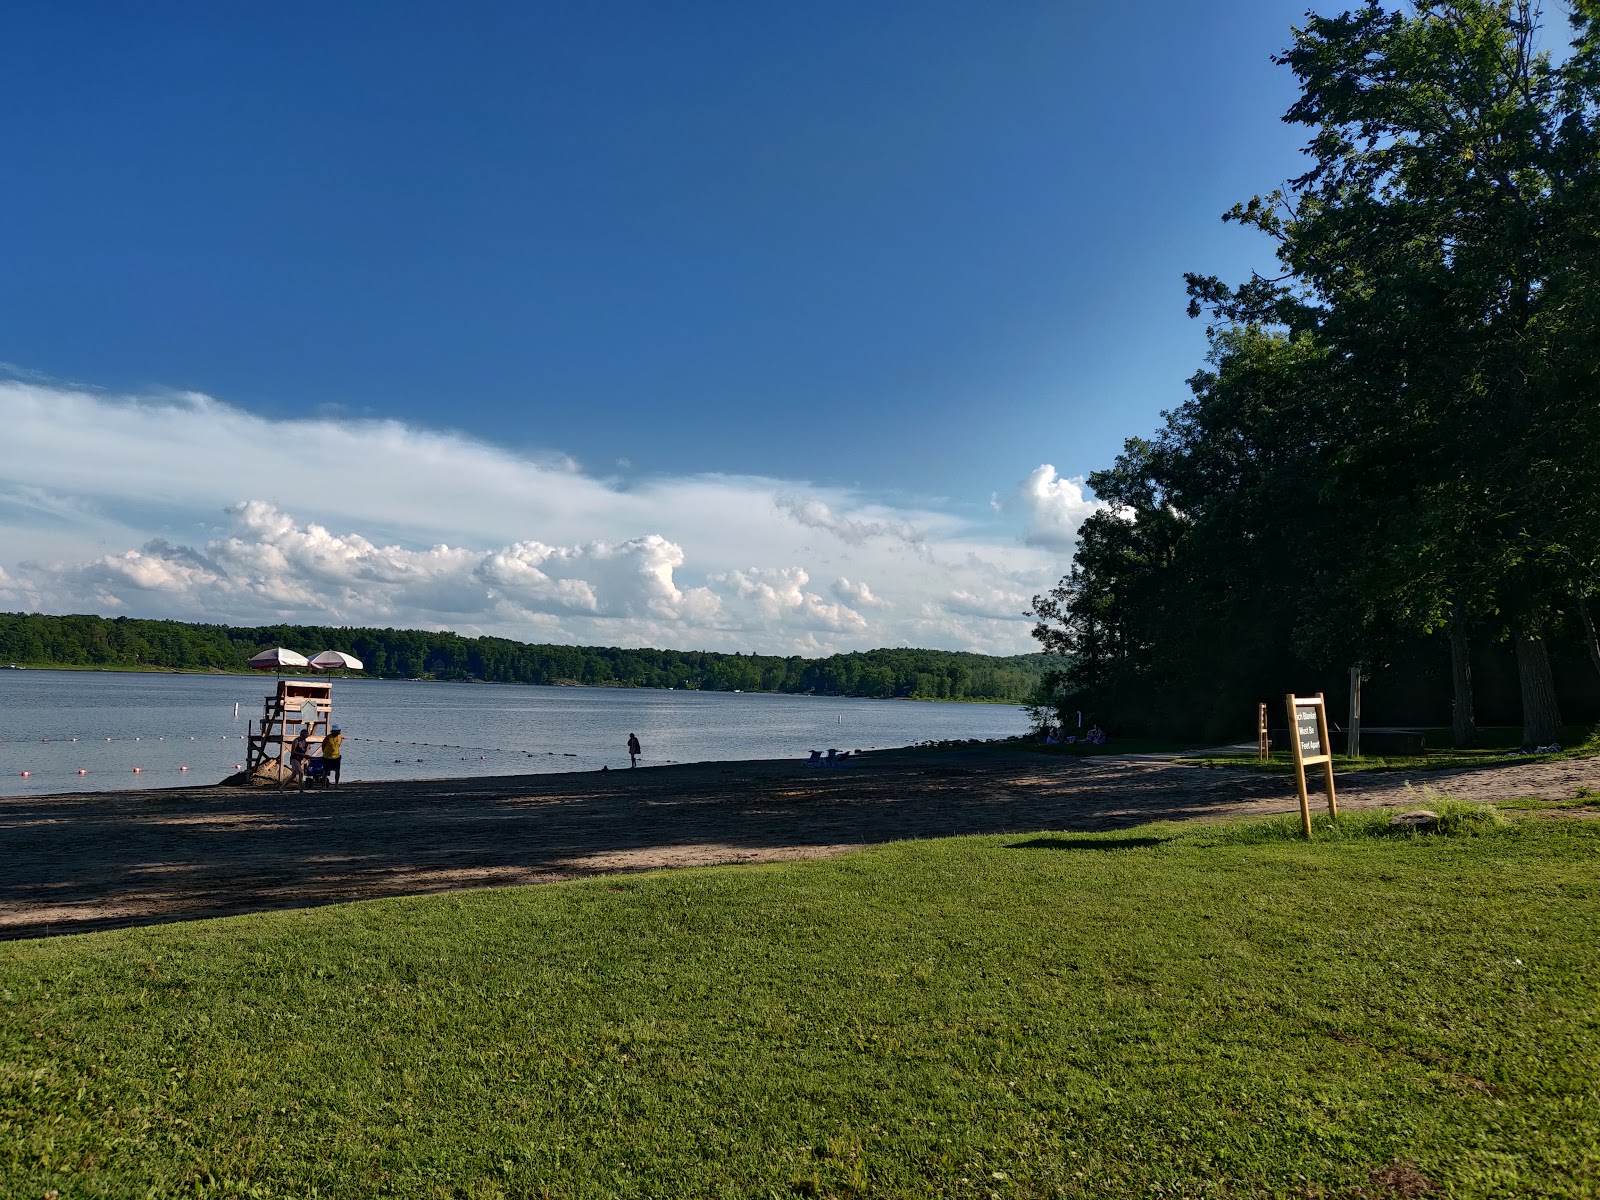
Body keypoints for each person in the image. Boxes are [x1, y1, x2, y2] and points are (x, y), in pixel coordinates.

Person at [288, 726, 312, 790]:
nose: (305, 738)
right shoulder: (296, 741)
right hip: (294, 758)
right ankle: (300, 788)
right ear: (301, 735)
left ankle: (281, 788)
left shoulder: (305, 741)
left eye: (306, 737)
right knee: (301, 773)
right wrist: (301, 754)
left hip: (299, 759)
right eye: (304, 736)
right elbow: (293, 752)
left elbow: (304, 751)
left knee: (293, 776)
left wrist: (306, 756)